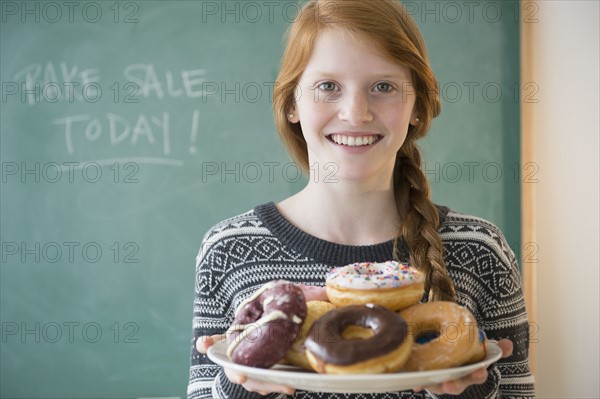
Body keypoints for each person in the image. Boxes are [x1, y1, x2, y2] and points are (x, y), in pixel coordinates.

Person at [187, 0, 535, 398]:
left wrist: (469, 391)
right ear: (291, 104)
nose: (356, 113)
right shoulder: (230, 249)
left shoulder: (480, 250)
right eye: (328, 86)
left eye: (383, 86)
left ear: (417, 106)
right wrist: (244, 389)